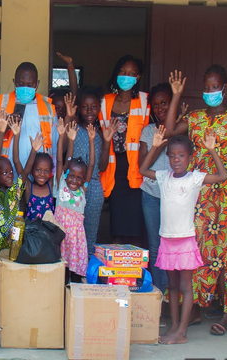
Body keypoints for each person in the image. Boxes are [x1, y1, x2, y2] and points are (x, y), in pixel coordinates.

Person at [163, 67, 227, 336]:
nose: (211, 92)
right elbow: (168, 131)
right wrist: (176, 96)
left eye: (216, 87)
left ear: (224, 89)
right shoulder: (196, 118)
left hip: (225, 191)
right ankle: (196, 308)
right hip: (198, 193)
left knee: (223, 251)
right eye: (207, 87)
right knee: (196, 250)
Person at [140, 127, 227, 345]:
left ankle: (182, 331)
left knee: (186, 287)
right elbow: (143, 169)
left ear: (190, 157)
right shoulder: (163, 177)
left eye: (181, 155)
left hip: (185, 241)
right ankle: (174, 327)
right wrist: (155, 146)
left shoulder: (195, 179)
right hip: (167, 240)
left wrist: (212, 150)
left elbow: (223, 176)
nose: (176, 160)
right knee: (172, 287)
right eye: (171, 155)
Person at [99, 55, 150, 244]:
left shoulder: (145, 101)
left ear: (137, 78)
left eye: (131, 73)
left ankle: (134, 266)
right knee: (116, 222)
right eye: (122, 72)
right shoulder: (105, 102)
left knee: (135, 223)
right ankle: (117, 265)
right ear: (116, 73)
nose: (126, 76)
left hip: (136, 167)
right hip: (113, 167)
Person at [0, 62, 58, 171]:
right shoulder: (1, 104)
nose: (25, 88)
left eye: (30, 84)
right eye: (21, 83)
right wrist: (5, 128)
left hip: (38, 179)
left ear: (37, 84)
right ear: (14, 82)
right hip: (7, 175)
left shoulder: (49, 108)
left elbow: (54, 148)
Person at [138, 83, 175, 294]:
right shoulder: (148, 131)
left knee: (174, 245)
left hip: (175, 197)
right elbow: (142, 165)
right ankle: (159, 294)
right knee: (155, 246)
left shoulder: (180, 128)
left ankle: (174, 295)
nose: (160, 108)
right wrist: (159, 144)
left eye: (165, 103)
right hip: (151, 194)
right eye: (156, 105)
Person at [0, 117, 42, 253]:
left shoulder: (15, 190)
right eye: (4, 173)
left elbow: (25, 168)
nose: (10, 175)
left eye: (11, 171)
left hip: (11, 244)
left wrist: (32, 149)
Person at [64, 89, 104, 258]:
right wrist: (68, 116)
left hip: (93, 186)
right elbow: (63, 147)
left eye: (93, 107)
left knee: (90, 233)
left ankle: (86, 273)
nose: (89, 111)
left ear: (99, 108)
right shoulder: (74, 128)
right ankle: (68, 272)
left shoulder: (100, 134)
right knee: (69, 232)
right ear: (79, 108)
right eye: (85, 107)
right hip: (72, 185)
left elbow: (101, 166)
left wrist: (107, 142)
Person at [54, 120, 96, 281]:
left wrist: (91, 141)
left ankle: (75, 300)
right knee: (61, 275)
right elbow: (59, 161)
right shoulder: (61, 185)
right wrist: (62, 137)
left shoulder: (82, 191)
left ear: (83, 180)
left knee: (76, 276)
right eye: (71, 175)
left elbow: (91, 164)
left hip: (76, 241)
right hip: (61, 238)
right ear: (66, 175)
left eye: (79, 178)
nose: (74, 180)